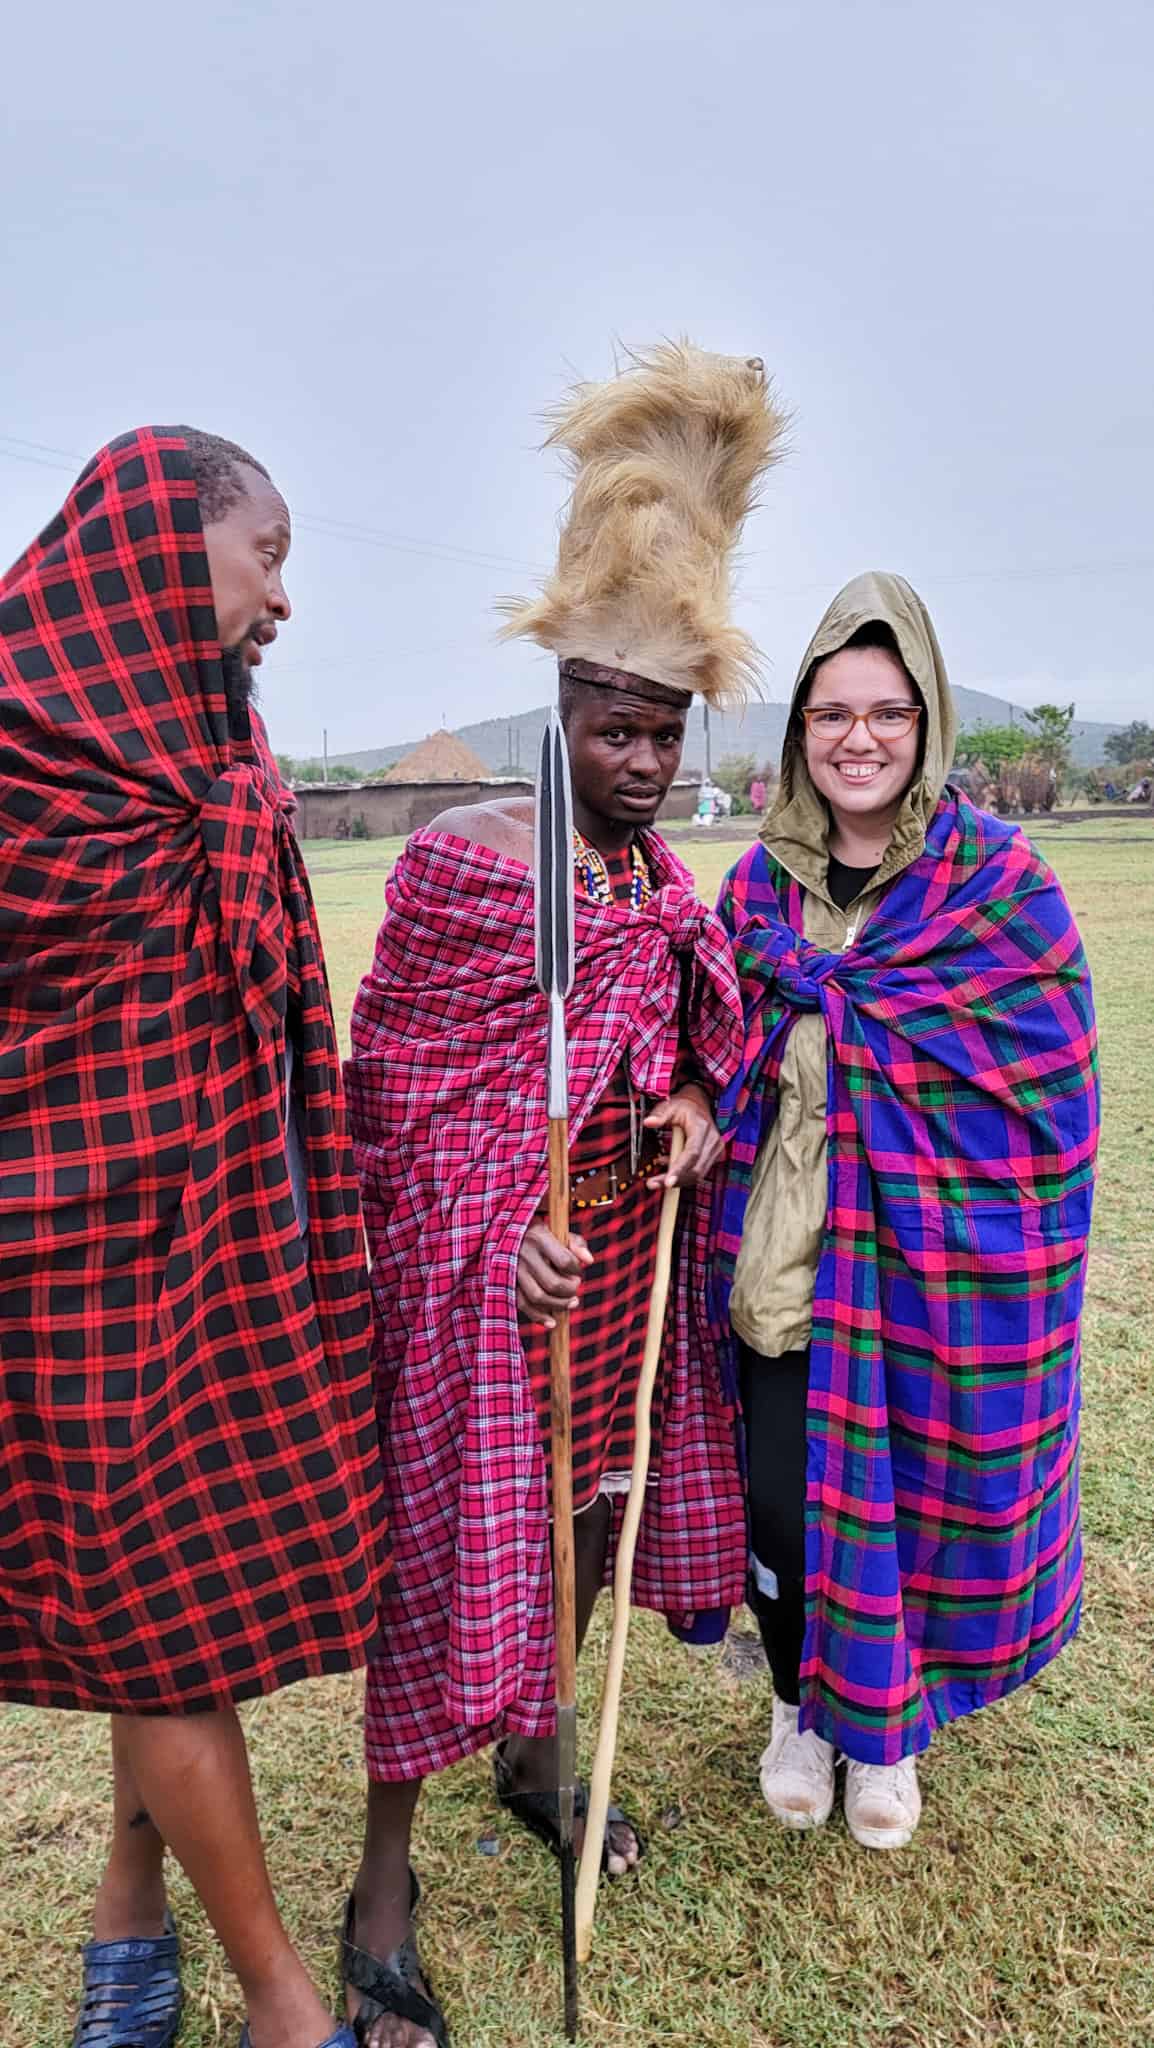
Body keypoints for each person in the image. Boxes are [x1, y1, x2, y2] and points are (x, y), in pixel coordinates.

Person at [341, 343, 786, 2047]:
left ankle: (537, 1748)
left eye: (665, 734)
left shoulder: (664, 882)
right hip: (485, 1273)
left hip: (612, 1266)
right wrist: (483, 1238)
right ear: (561, 716)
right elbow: (401, 1106)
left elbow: (691, 1040)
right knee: (439, 1542)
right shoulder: (469, 858)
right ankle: (382, 1881)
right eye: (614, 730)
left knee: (589, 1504)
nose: (642, 763)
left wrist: (677, 1104)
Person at [0, 427, 387, 2048]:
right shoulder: (21, 759)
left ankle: (123, 1929)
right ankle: (283, 2003)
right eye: (265, 554)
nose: (282, 597)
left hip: (213, 1233)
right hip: (61, 1257)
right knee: (152, 1617)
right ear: (171, 549)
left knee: (148, 1612)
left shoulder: (198, 741)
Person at [713, 572, 1098, 1851]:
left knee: (911, 1492)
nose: (857, 738)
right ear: (796, 731)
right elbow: (704, 1045)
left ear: (926, 720)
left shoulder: (998, 887)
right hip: (783, 1260)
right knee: (780, 1507)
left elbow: (1046, 1104)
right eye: (830, 713)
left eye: (885, 710)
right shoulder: (756, 893)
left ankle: (888, 1735)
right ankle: (794, 1705)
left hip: (930, 1278)